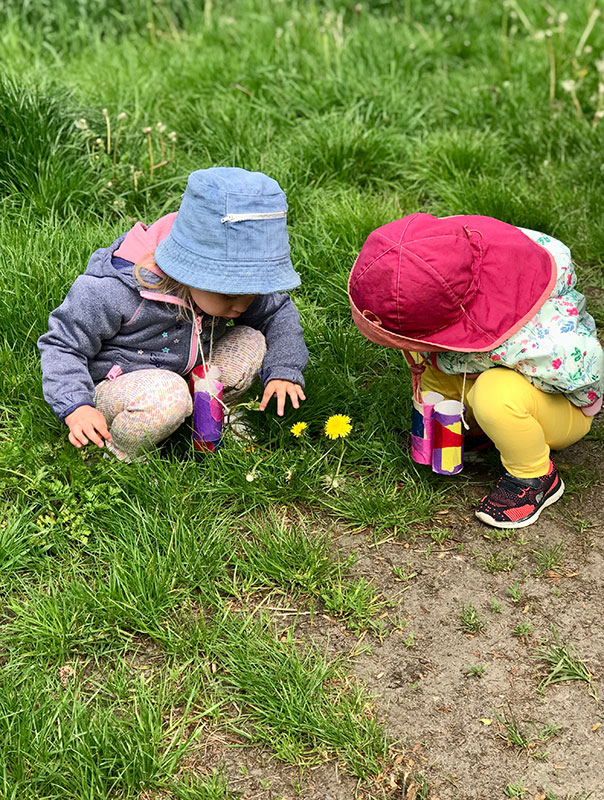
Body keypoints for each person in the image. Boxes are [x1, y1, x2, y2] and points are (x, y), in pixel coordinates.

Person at [348, 213, 603, 529]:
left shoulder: (540, 341)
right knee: (435, 367)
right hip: (499, 366)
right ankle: (470, 433)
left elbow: (584, 375)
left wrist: (480, 363)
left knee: (494, 395)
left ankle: (534, 476)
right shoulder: (464, 261)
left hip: (563, 405)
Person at [38, 167, 308, 461]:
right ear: (189, 272)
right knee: (168, 395)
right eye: (230, 295)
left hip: (184, 373)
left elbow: (277, 311)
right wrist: (77, 406)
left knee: (252, 340)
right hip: (121, 387)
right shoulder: (115, 292)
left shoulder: (226, 292)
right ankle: (116, 452)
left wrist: (284, 370)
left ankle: (210, 412)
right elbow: (63, 345)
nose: (242, 305)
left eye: (252, 292)